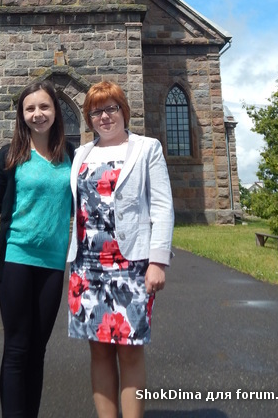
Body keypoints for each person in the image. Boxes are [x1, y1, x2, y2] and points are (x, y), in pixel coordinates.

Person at [66, 81, 174, 418]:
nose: (104, 116)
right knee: (98, 349)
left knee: (129, 351)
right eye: (96, 111)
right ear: (89, 118)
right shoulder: (81, 154)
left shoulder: (145, 148)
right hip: (86, 266)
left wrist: (158, 261)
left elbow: (161, 206)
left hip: (131, 266)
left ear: (123, 111)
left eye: (111, 108)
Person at [0, 81, 74, 418]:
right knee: (17, 349)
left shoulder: (70, 155)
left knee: (38, 350)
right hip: (16, 257)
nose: (37, 114)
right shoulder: (10, 154)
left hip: (53, 262)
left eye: (44, 107)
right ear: (22, 114)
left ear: (56, 110)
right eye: (30, 108)